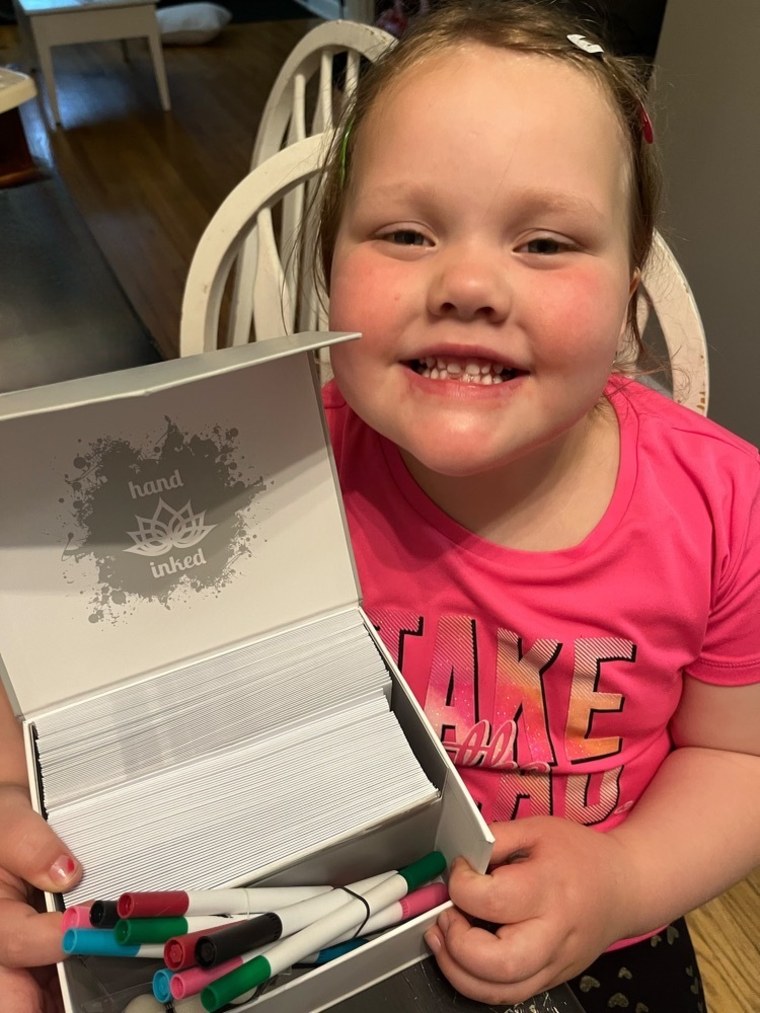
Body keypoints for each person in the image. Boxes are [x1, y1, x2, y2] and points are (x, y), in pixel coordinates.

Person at [0, 3, 757, 1012]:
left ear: (628, 283)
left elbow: (737, 753)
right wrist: (16, 796)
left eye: (543, 242)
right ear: (327, 268)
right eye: (404, 232)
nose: (469, 282)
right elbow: (65, 668)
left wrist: (622, 878)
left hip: (593, 929)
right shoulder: (257, 470)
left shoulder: (720, 505)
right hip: (294, 920)